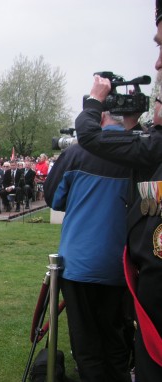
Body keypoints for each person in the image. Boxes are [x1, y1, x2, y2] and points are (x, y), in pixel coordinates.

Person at [73, 7, 162, 376]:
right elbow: (149, 193)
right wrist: (136, 125)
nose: (156, 64)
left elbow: (89, 136)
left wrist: (94, 100)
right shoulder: (153, 147)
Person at [45, 112, 133, 381]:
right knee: (117, 342)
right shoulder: (139, 150)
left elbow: (53, 197)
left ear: (101, 115)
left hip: (80, 263)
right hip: (124, 263)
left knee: (86, 346)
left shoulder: (78, 152)